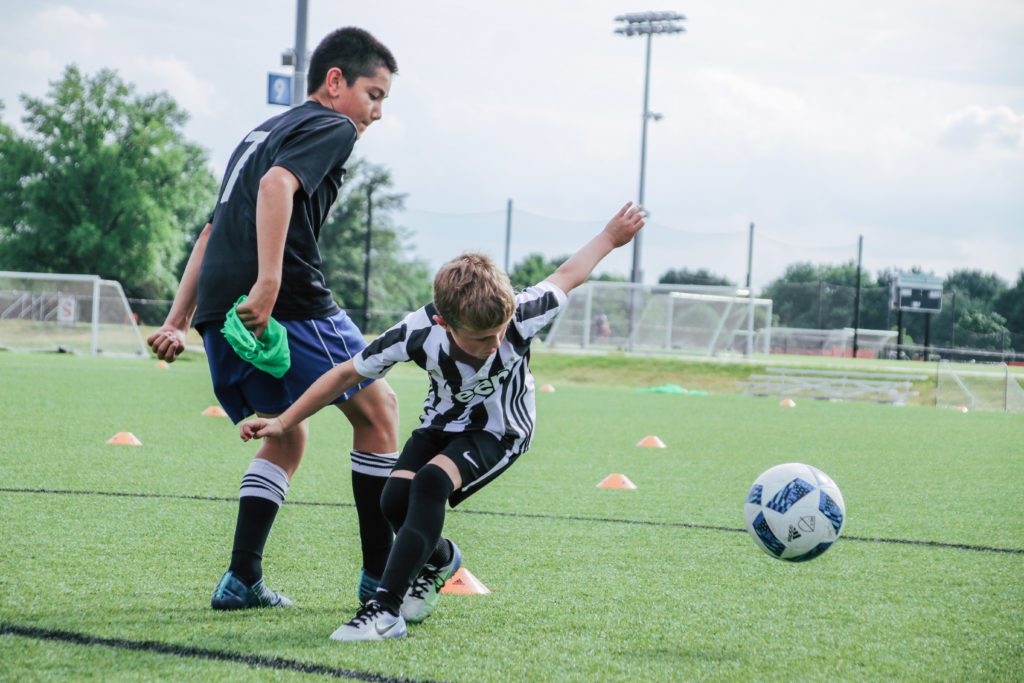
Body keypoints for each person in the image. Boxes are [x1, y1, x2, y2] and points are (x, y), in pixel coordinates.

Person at [240, 202, 646, 641]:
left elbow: (569, 273)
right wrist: (285, 420)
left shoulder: (522, 314)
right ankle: (440, 559)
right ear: (443, 322)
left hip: (501, 430)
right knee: (393, 500)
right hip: (441, 424)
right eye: (480, 338)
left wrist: (610, 235)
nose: (494, 345)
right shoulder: (416, 332)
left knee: (431, 483)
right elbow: (346, 373)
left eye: (499, 333)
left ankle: (384, 611)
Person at [147, 27, 401, 610]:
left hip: (220, 313)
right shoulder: (333, 125)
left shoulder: (262, 130)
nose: (378, 113)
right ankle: (382, 582)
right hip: (281, 306)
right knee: (379, 410)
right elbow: (276, 186)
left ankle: (242, 579)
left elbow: (211, 231)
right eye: (375, 94)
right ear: (335, 82)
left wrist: (179, 320)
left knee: (287, 430)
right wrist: (269, 283)